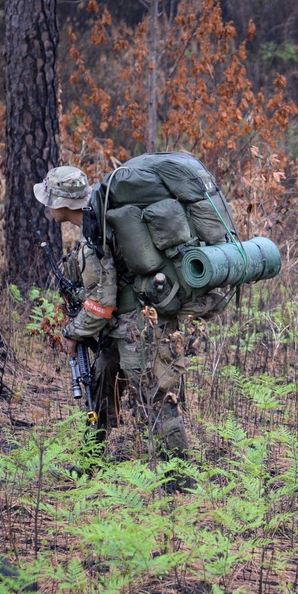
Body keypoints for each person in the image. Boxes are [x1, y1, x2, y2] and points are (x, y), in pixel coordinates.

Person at [33, 166, 193, 490]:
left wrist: (73, 333)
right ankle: (92, 459)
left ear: (63, 203)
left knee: (156, 397)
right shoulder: (99, 219)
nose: (46, 205)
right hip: (125, 327)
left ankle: (179, 480)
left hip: (140, 327)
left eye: (50, 198)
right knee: (102, 383)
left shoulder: (97, 230)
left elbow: (102, 302)